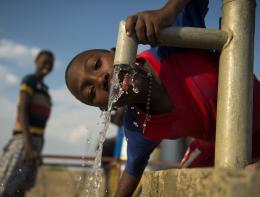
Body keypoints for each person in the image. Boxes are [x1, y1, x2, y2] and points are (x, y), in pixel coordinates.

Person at [65, 0, 260, 196]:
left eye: (97, 64)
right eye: (91, 92)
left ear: (117, 51)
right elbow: (133, 169)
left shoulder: (173, 43)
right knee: (180, 188)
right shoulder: (137, 126)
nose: (100, 79)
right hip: (218, 147)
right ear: (105, 108)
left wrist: (168, 11)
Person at [0, 50, 54, 197]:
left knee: (21, 187)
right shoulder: (29, 81)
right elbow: (22, 110)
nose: (47, 66)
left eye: (50, 63)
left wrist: (37, 149)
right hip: (23, 139)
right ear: (37, 60)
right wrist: (28, 144)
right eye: (44, 61)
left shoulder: (45, 90)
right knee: (6, 186)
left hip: (36, 141)